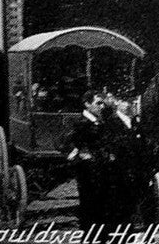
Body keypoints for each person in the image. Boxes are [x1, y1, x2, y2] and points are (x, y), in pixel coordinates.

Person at [64, 91, 113, 230]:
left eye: (102, 103)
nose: (102, 106)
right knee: (90, 210)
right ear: (87, 104)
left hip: (102, 172)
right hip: (88, 174)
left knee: (102, 210)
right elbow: (65, 143)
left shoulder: (99, 122)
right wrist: (79, 156)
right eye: (98, 103)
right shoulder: (80, 123)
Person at [103, 92, 145, 225]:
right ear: (117, 102)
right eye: (124, 101)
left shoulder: (135, 122)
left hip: (134, 168)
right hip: (120, 169)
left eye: (131, 102)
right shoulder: (111, 122)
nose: (128, 105)